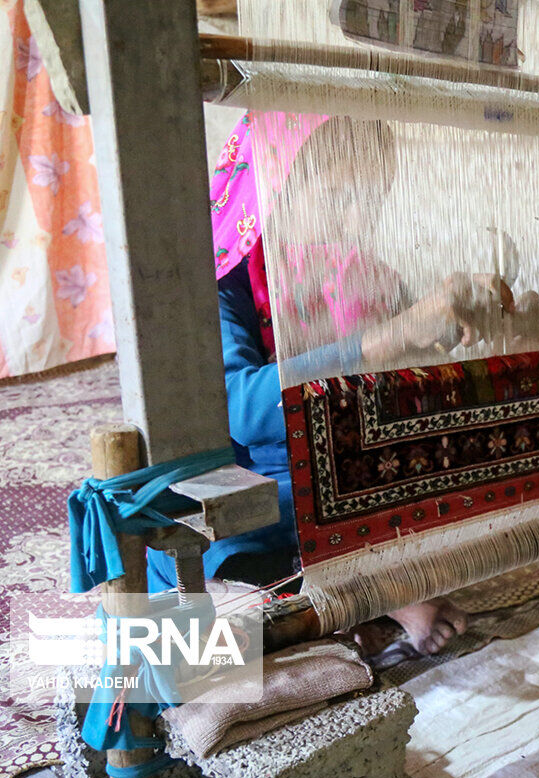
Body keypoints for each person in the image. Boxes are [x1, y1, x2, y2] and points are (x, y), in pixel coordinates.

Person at [147, 112, 511, 654]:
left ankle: (350, 593)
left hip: (351, 478)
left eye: (373, 198)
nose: (359, 217)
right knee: (204, 576)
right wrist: (382, 341)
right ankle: (370, 591)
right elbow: (241, 407)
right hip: (265, 489)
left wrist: (482, 326)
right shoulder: (221, 285)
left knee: (437, 468)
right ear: (275, 193)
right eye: (339, 198)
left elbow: (410, 379)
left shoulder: (372, 278)